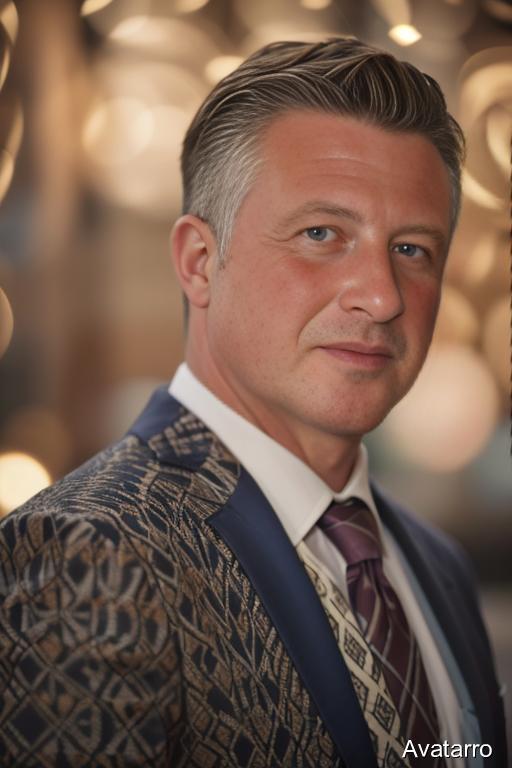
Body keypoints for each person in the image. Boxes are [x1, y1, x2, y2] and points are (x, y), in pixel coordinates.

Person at [0, 38, 506, 768]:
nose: (382, 296)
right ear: (199, 262)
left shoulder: (438, 566)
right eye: (322, 233)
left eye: (412, 249)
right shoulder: (89, 550)